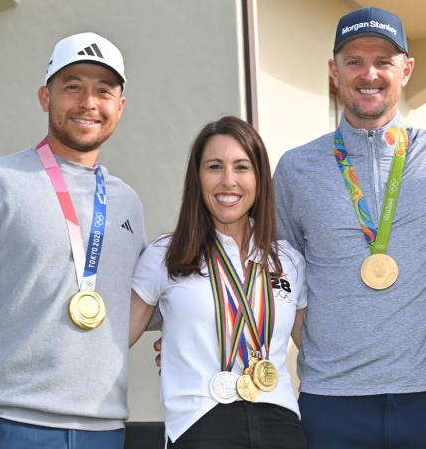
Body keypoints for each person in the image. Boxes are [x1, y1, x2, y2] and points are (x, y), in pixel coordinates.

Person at [0, 32, 146, 449]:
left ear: (120, 107)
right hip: (3, 422)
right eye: (73, 86)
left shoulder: (126, 202)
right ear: (45, 97)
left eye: (103, 91)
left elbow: (142, 299)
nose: (88, 102)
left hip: (104, 428)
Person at [272, 6, 426, 448]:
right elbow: (280, 277)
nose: (369, 74)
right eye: (354, 61)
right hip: (332, 400)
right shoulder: (295, 168)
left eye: (383, 61)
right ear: (334, 71)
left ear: (406, 70)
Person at [129, 116, 308, 448]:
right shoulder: (165, 255)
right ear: (197, 178)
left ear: (259, 179)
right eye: (214, 167)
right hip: (199, 426)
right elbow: (114, 342)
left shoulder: (287, 260)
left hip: (280, 426)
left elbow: (315, 350)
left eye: (242, 167)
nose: (228, 181)